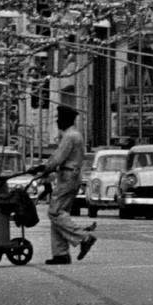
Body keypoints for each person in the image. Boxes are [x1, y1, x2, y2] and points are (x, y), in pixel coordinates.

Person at [34, 105, 96, 265]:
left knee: (55, 212)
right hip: (72, 175)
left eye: (59, 119)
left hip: (68, 176)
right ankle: (60, 253)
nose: (57, 122)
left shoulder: (70, 136)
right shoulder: (75, 135)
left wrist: (45, 168)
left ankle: (83, 237)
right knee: (60, 214)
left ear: (66, 119)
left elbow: (58, 158)